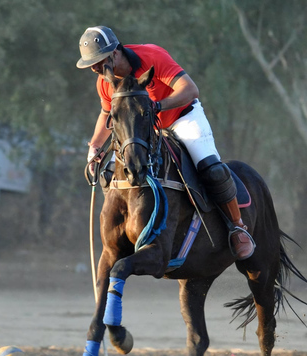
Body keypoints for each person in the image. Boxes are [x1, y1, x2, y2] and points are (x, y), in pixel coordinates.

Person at [76, 25, 255, 260]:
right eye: (92, 65)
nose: (96, 69)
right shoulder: (105, 81)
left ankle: (237, 226)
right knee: (113, 172)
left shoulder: (152, 56)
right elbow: (106, 113)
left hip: (182, 118)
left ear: (115, 52)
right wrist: (95, 149)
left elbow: (190, 89)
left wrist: (158, 106)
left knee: (210, 168)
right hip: (146, 132)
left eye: (98, 62)